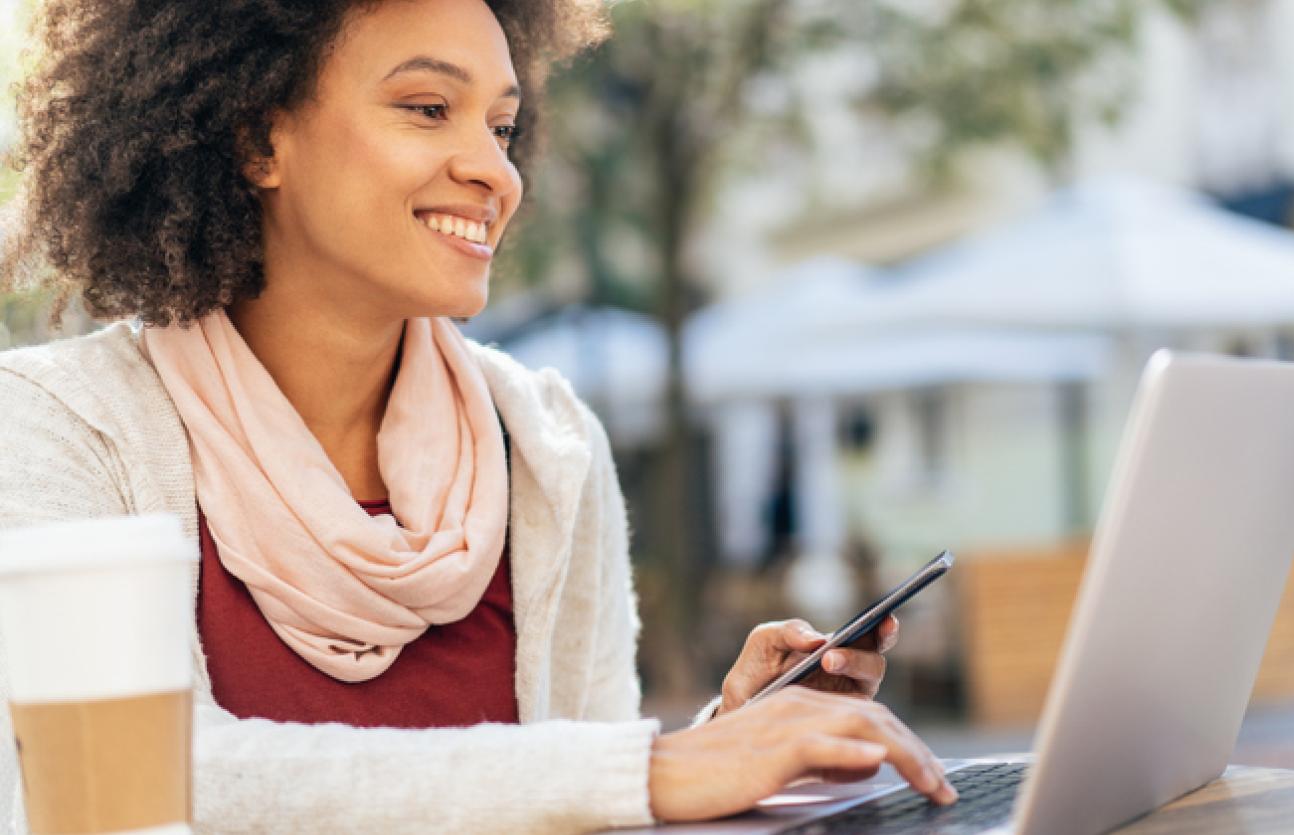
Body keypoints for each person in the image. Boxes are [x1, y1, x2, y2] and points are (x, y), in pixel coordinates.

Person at [0, 0, 957, 832]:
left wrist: (728, 743)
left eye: (502, 126)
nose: (495, 172)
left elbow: (572, 798)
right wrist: (649, 771)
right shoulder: (58, 429)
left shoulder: (547, 442)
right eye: (428, 109)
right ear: (258, 139)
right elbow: (133, 786)